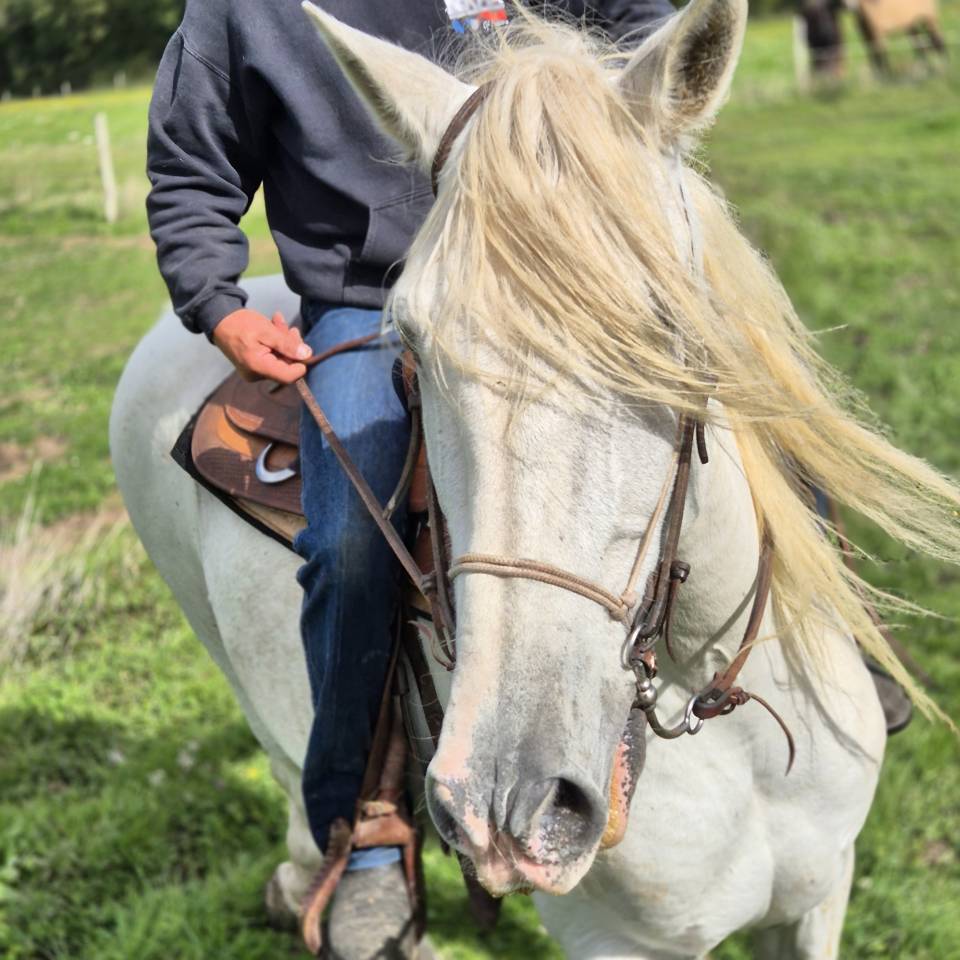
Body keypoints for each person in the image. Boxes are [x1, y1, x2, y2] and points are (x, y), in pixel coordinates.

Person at [146, 0, 684, 955]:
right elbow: (193, 163)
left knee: (749, 384)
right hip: (378, 298)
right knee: (352, 536)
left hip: (576, 258)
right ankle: (362, 829)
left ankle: (832, 644)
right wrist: (217, 304)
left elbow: (650, 35)